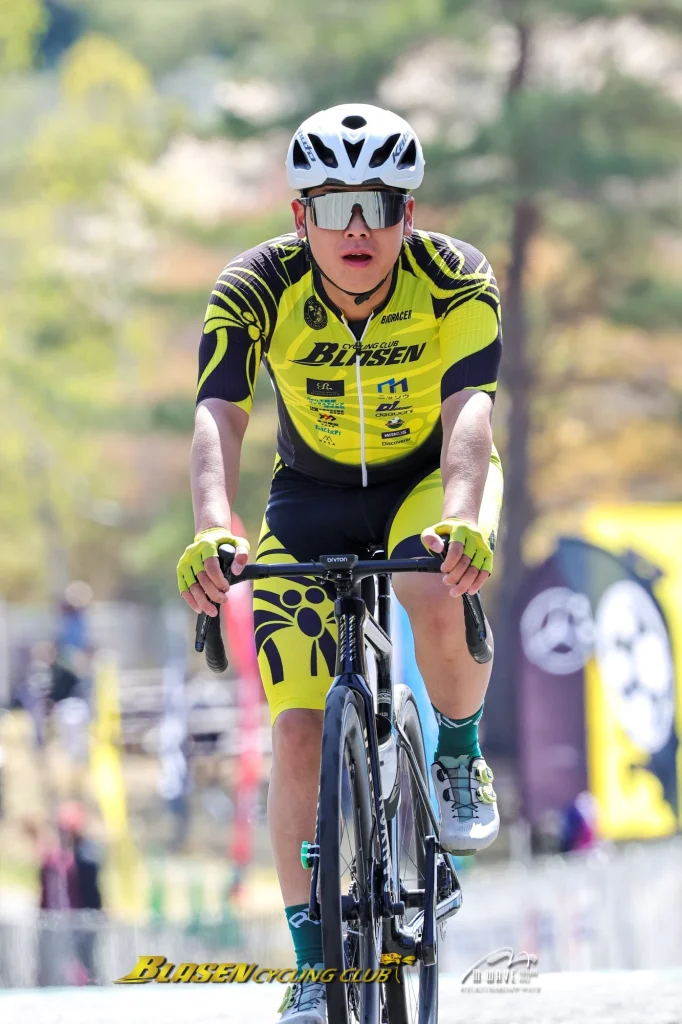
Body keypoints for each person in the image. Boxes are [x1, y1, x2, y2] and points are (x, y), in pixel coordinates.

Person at [177, 103, 504, 1023]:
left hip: (429, 479)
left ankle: (459, 753)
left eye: (378, 204)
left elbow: (470, 410)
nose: (356, 227)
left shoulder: (456, 277)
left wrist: (461, 516)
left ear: (409, 213)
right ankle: (314, 965)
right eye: (332, 206)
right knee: (296, 733)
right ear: (299, 217)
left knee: (432, 578)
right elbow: (219, 412)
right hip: (309, 496)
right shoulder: (254, 286)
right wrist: (212, 527)